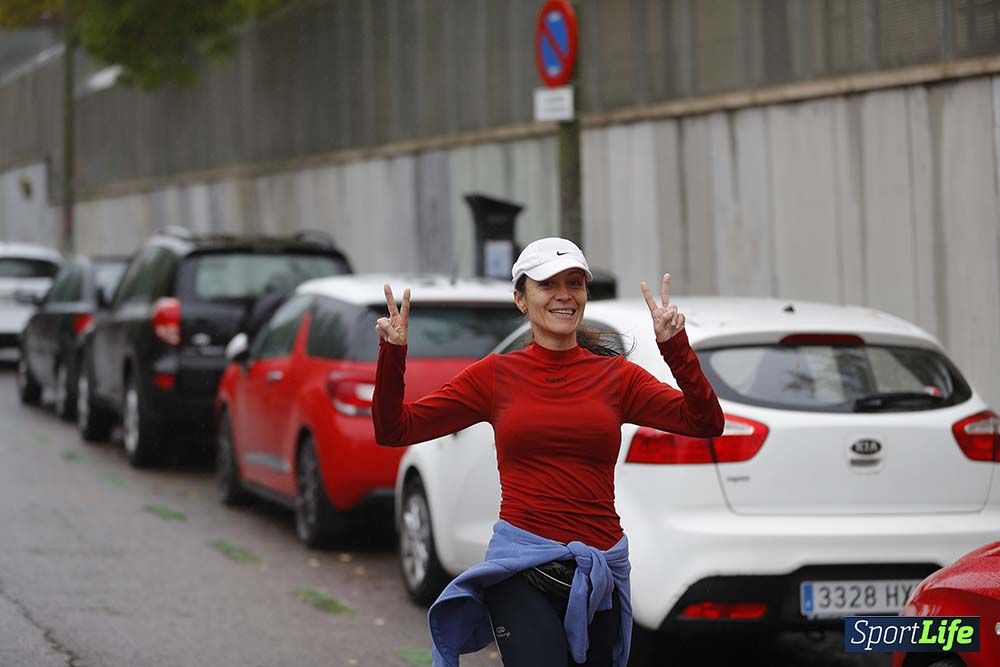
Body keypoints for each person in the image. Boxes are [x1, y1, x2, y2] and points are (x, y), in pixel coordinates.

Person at [372, 237, 724, 667]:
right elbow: (395, 429)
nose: (564, 294)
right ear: (521, 299)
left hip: (599, 572)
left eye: (574, 283)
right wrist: (393, 354)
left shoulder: (618, 378)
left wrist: (675, 347)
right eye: (547, 284)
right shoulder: (495, 376)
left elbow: (705, 422)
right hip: (521, 569)